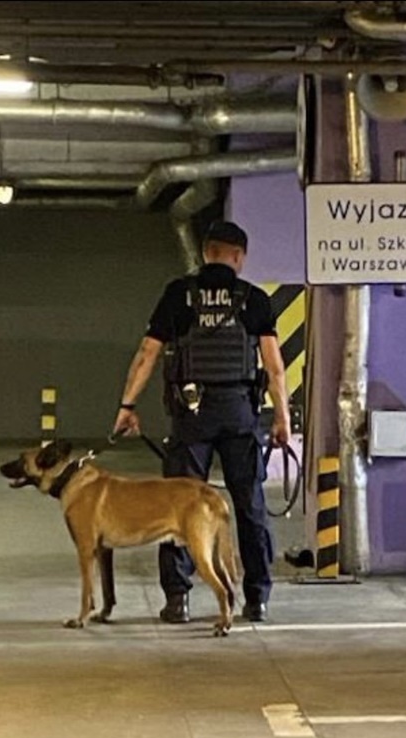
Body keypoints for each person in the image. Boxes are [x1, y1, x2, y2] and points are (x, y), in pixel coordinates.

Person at [112, 220, 290, 623]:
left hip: (190, 416)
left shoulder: (179, 295)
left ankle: (178, 600)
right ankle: (257, 599)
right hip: (240, 413)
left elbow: (147, 353)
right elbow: (275, 367)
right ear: (239, 257)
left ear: (206, 252)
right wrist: (281, 419)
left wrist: (127, 405)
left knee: (177, 507)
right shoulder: (254, 299)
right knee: (249, 508)